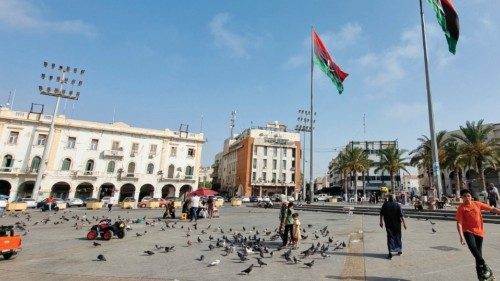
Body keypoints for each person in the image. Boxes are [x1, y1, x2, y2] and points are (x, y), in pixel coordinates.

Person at [456, 189, 500, 280]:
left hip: (479, 232)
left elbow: (492, 209)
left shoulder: (477, 204)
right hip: (468, 231)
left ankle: (481, 276)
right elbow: (459, 223)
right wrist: (461, 236)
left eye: (468, 195)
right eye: (464, 196)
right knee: (472, 247)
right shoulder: (461, 208)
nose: (467, 198)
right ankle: (485, 266)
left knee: (478, 254)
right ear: (462, 198)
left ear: (471, 196)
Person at [379, 194, 407, 259]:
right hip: (397, 224)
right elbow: (401, 215)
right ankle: (399, 250)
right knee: (398, 236)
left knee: (390, 237)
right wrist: (404, 224)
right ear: (394, 199)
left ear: (389, 198)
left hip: (388, 224)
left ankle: (390, 252)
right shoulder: (397, 205)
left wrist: (381, 222)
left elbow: (381, 214)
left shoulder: (385, 204)